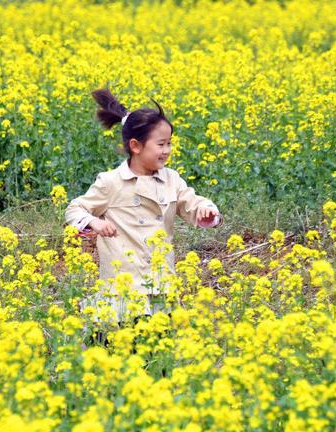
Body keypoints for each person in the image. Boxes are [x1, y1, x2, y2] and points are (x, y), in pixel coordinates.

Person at [65, 88, 222, 323]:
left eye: (169, 143)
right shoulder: (111, 182)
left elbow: (191, 202)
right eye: (160, 144)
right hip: (123, 288)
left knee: (157, 350)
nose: (167, 150)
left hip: (161, 283)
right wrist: (95, 223)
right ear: (136, 146)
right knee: (125, 350)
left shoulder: (171, 179)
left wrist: (205, 211)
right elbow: (74, 209)